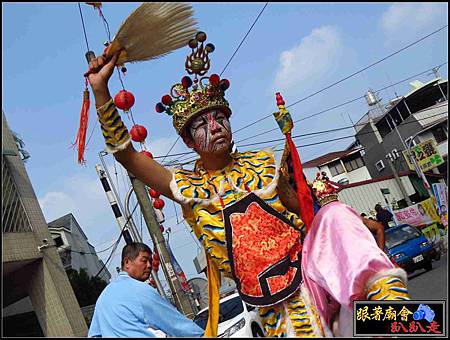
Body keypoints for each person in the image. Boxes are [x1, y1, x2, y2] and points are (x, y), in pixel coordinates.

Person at [85, 31, 409, 337]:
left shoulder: (263, 163)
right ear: (187, 140)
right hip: (273, 298)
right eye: (202, 124)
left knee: (339, 220)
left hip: (312, 265)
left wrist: (351, 223)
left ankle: (396, 314)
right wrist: (101, 91)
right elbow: (127, 155)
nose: (215, 127)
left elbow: (306, 209)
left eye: (220, 118)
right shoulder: (185, 185)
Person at [88, 242, 204, 337]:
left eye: (150, 261)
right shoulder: (139, 290)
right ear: (127, 262)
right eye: (144, 260)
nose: (149, 265)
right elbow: (176, 325)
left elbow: (94, 335)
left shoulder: (103, 298)